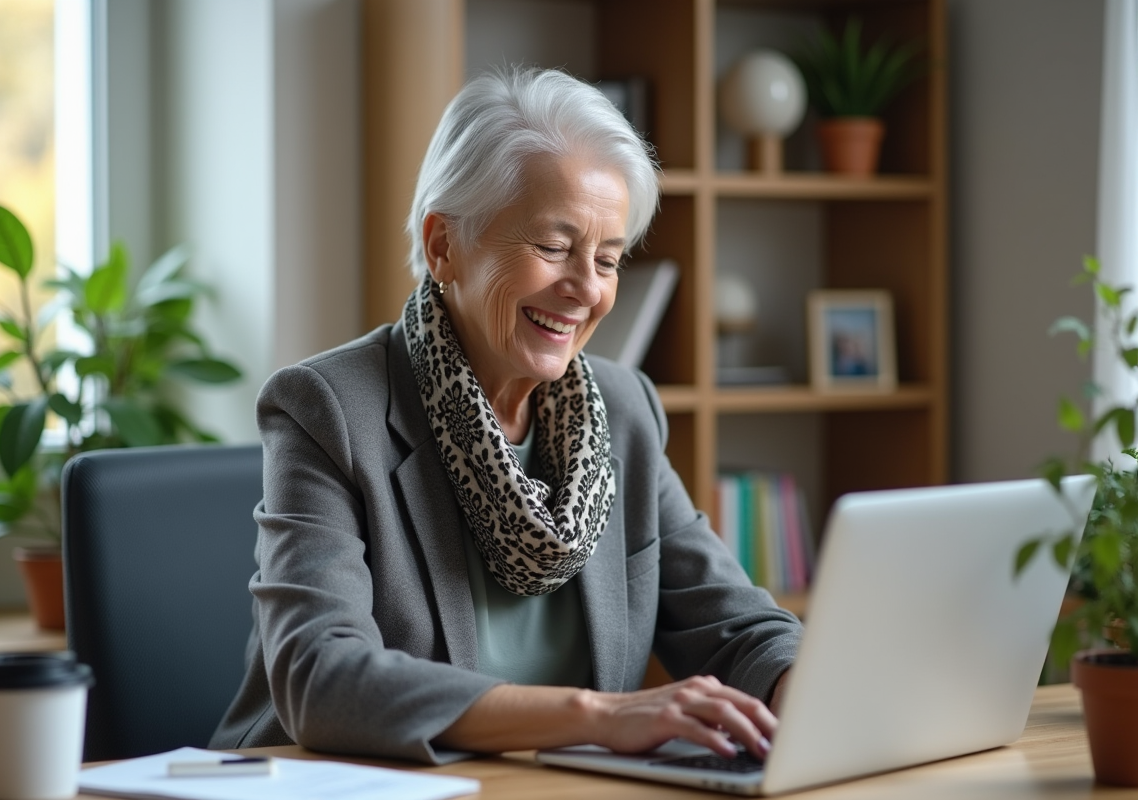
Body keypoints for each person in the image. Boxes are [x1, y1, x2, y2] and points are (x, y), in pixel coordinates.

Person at [211, 67, 802, 765]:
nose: (586, 289)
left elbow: (738, 627)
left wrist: (814, 693)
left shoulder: (625, 410)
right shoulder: (330, 409)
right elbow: (321, 677)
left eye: (608, 260)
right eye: (554, 248)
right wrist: (596, 717)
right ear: (443, 246)